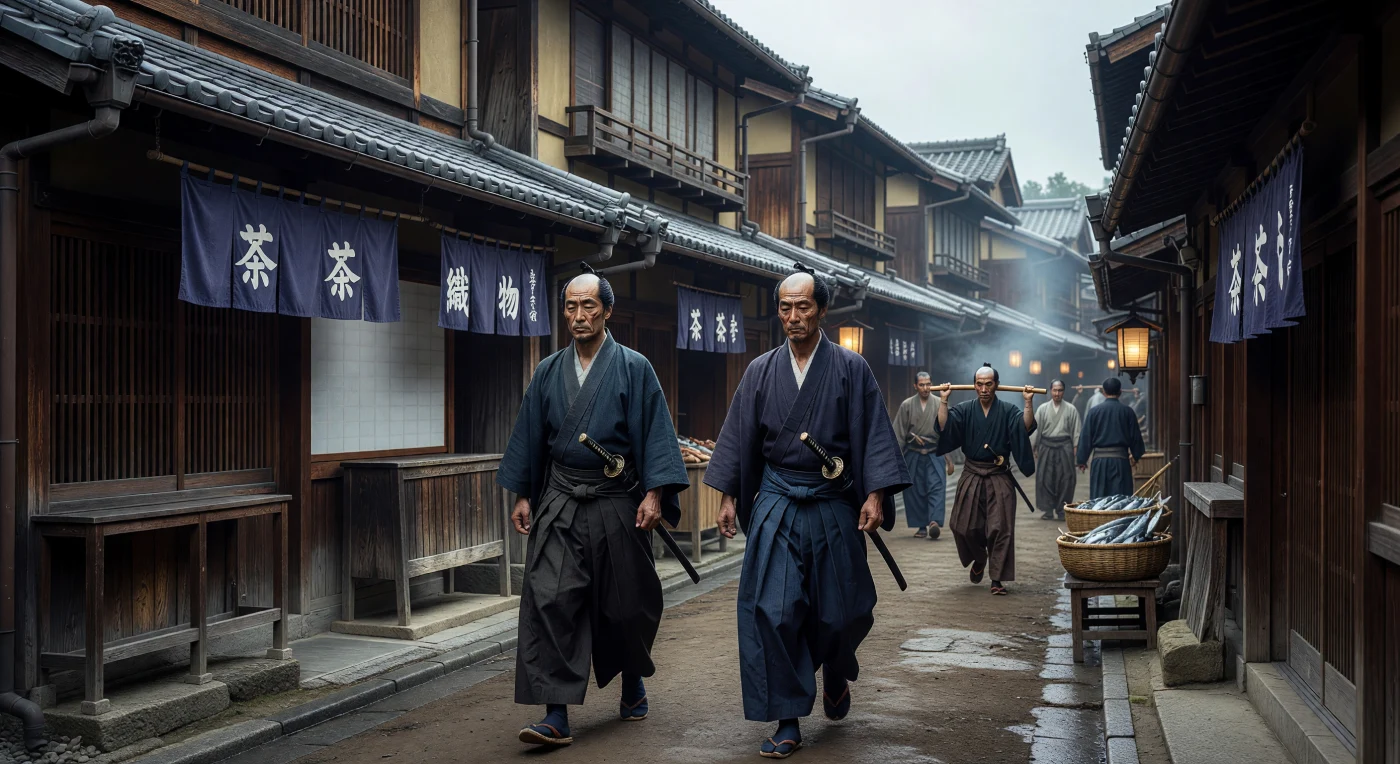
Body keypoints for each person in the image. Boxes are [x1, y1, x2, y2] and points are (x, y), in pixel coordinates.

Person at [707, 265, 909, 759]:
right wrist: (729, 494)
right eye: (785, 307)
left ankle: (836, 667)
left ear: (821, 310)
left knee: (843, 610)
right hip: (777, 500)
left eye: (803, 306)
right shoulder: (760, 371)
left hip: (830, 500)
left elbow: (874, 434)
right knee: (773, 610)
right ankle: (789, 717)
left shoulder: (849, 368)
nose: (793, 316)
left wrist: (876, 495)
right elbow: (738, 438)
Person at [497, 269, 689, 747]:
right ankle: (555, 711)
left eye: (588, 306)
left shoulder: (634, 367)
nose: (579, 316)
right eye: (570, 307)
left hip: (616, 500)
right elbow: (531, 438)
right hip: (561, 498)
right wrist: (523, 492)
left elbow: (656, 435)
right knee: (549, 598)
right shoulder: (547, 372)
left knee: (626, 603)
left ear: (607, 310)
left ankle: (631, 679)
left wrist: (655, 493)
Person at [933, 365, 1036, 596]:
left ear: (996, 385)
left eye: (988, 384)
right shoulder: (965, 409)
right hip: (972, 473)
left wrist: (1028, 402)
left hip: (999, 475)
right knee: (962, 526)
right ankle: (980, 558)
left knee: (1001, 528)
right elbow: (943, 426)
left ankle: (997, 578)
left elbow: (1025, 427)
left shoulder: (1009, 410)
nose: (983, 389)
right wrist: (943, 401)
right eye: (979, 384)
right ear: (974, 385)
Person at [892, 372, 954, 538]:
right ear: (915, 386)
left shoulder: (940, 403)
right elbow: (899, 433)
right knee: (915, 490)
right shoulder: (907, 405)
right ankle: (920, 526)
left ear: (932, 384)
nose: (926, 388)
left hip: (935, 453)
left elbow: (947, 432)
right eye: (922, 385)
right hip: (913, 453)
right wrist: (895, 460)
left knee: (937, 487)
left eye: (928, 384)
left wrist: (950, 460)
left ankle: (934, 521)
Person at [1076, 377, 1146, 498]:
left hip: (1099, 463)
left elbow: (1085, 436)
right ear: (1120, 392)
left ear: (1104, 392)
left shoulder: (1094, 412)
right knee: (1121, 500)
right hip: (1121, 462)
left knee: (1099, 499)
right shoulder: (1128, 412)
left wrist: (1082, 460)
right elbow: (1135, 437)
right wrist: (1136, 455)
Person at [1032, 380, 1081, 521]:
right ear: (1050, 390)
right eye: (1054, 390)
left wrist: (1075, 448)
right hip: (1046, 446)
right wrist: (1035, 447)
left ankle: (1061, 510)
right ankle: (1047, 509)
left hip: (1065, 446)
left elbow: (1076, 431)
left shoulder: (1071, 409)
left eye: (1060, 390)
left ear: (1063, 392)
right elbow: (1036, 429)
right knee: (1045, 479)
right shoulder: (1042, 409)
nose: (1057, 393)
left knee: (1066, 479)